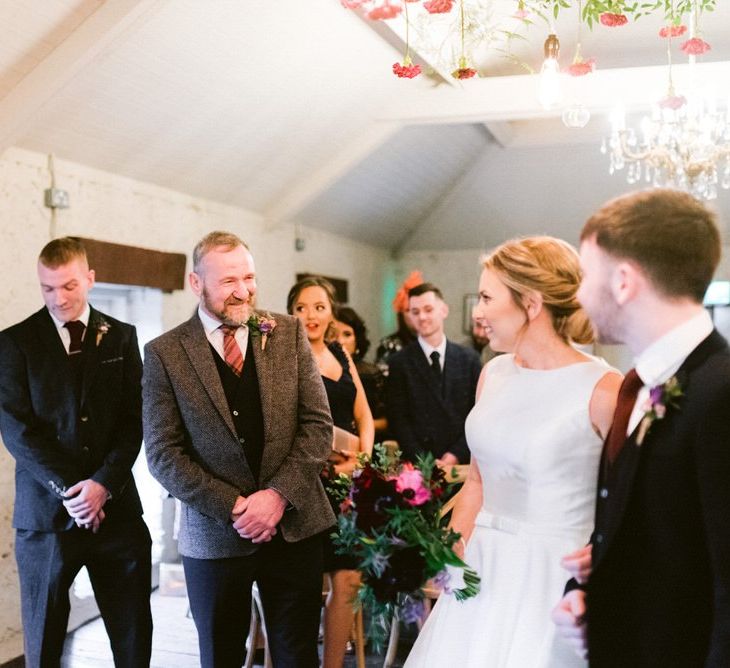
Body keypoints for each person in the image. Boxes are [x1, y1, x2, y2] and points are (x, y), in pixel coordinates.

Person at [405, 236, 621, 667]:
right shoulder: (493, 374)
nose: (478, 311)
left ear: (531, 303)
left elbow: (636, 497)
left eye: (486, 297)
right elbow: (478, 482)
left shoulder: (604, 389)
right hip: (483, 572)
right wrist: (450, 548)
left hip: (553, 574)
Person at [553, 189, 730, 667]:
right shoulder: (645, 384)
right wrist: (589, 590)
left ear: (625, 281)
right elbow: (661, 531)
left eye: (587, 275)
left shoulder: (721, 392)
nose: (579, 294)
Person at [143, 232, 334, 668]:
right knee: (220, 656)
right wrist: (235, 507)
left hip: (294, 526)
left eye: (249, 277)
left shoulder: (286, 332)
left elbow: (318, 426)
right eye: (229, 281)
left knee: (298, 654)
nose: (244, 291)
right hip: (214, 535)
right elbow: (163, 454)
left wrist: (276, 497)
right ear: (196, 283)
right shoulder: (165, 353)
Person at [0, 237, 153, 668]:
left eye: (68, 286)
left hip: (117, 516)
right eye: (48, 288)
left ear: (89, 279)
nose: (58, 298)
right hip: (46, 518)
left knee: (133, 635)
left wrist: (103, 485)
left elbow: (133, 420)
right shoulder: (14, 343)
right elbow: (17, 432)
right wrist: (75, 491)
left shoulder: (122, 337)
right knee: (44, 638)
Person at [287, 277, 374, 668]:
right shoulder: (285, 357)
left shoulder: (342, 355)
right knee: (305, 585)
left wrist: (364, 461)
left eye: (319, 307)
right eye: (301, 307)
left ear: (331, 313)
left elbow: (364, 416)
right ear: (291, 313)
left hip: (348, 484)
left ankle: (334, 664)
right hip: (307, 485)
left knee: (349, 579)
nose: (310, 316)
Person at [386, 282, 482, 465]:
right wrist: (425, 462)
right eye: (415, 312)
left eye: (428, 309)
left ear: (444, 310)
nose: (422, 317)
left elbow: (477, 414)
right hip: (418, 468)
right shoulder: (399, 363)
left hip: (462, 464)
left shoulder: (469, 359)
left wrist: (455, 455)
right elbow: (399, 420)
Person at [335, 305, 389, 441]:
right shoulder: (314, 370)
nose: (340, 341)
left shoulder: (371, 374)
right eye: (334, 334)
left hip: (366, 444)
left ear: (357, 340)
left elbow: (387, 421)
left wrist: (359, 426)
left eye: (347, 334)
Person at [375, 270, 421, 375]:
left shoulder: (432, 343)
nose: (418, 316)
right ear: (401, 314)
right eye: (410, 310)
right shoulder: (389, 345)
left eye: (419, 310)